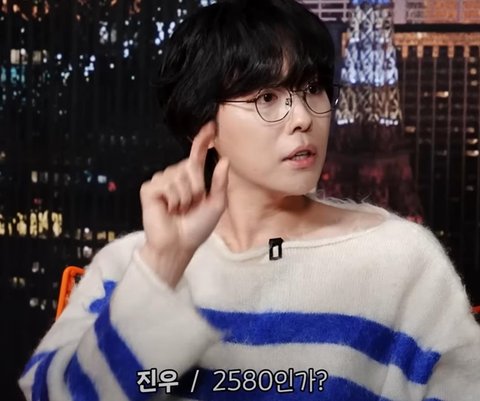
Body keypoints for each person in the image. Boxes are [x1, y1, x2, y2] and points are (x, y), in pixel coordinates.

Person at [19, 0, 480, 400]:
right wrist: (161, 268)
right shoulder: (128, 266)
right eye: (267, 97)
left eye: (312, 89)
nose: (302, 117)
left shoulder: (400, 259)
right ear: (204, 126)